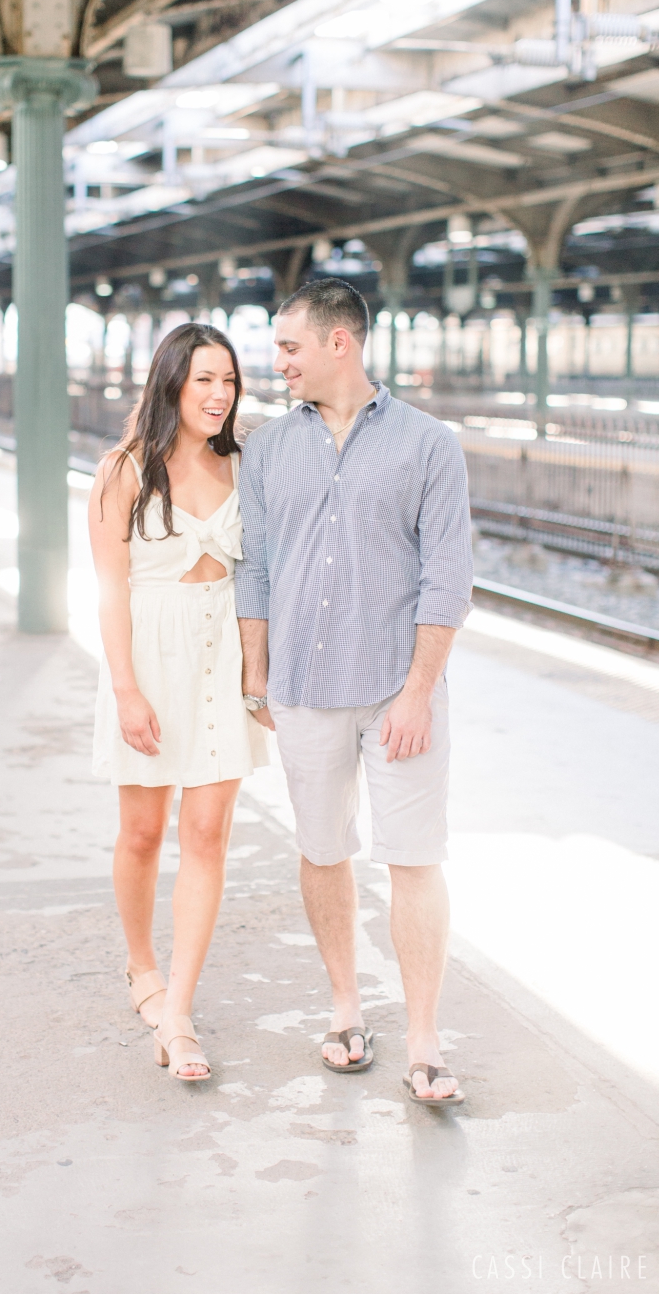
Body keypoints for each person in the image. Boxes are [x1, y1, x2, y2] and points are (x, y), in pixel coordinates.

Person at [236, 278, 472, 1105]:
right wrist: (255, 666)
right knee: (323, 848)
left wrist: (419, 692)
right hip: (303, 683)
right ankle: (344, 1009)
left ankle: (425, 1038)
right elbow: (254, 566)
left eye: (289, 347)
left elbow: (448, 580)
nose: (279, 362)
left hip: (398, 691)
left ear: (341, 343)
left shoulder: (428, 444)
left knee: (414, 857)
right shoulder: (267, 449)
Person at [90, 322, 268, 1082]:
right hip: (150, 659)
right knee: (142, 832)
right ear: (170, 382)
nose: (219, 394)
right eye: (204, 379)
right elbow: (107, 590)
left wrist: (259, 672)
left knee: (207, 833)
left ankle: (180, 1013)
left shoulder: (247, 464)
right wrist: (126, 689)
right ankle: (141, 967)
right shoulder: (123, 469)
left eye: (228, 379)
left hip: (220, 653)